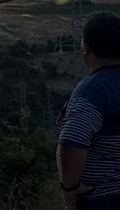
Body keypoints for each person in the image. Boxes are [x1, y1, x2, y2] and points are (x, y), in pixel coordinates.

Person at [58, 11, 120, 210]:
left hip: (105, 199)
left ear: (85, 48)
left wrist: (70, 191)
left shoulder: (94, 89)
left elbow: (72, 140)